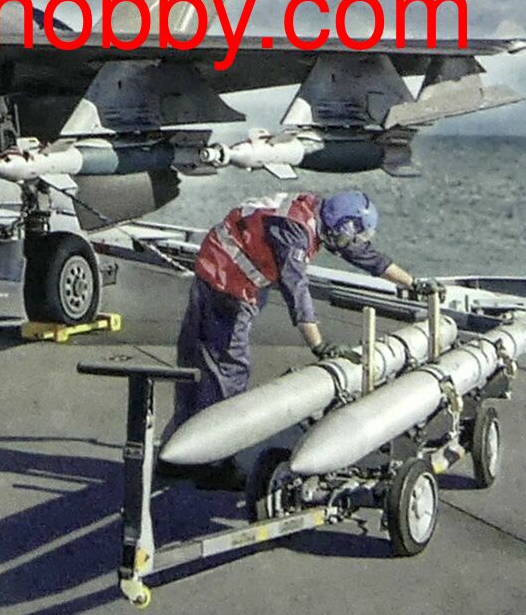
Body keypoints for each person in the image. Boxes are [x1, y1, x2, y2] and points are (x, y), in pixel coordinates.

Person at [169, 189, 418, 490]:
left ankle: (174, 458)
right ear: (340, 227)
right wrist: (318, 344)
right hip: (228, 284)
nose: (350, 243)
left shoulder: (315, 213)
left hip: (216, 268)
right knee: (228, 370)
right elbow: (296, 288)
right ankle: (215, 465)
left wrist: (413, 284)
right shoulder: (294, 230)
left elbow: (364, 256)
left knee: (196, 364)